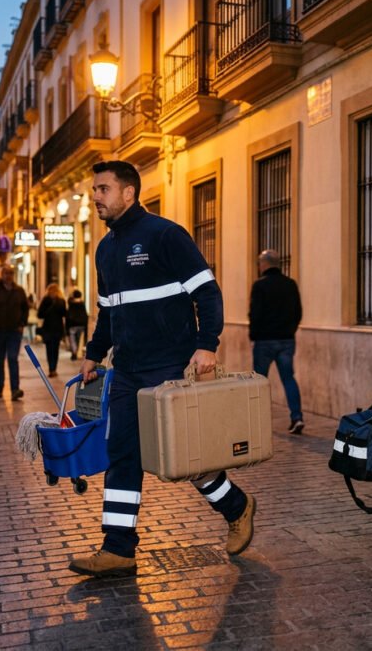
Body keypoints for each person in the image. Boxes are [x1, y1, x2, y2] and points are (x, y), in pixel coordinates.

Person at [70, 159, 257, 578]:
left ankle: (238, 507)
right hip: (128, 372)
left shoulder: (166, 235)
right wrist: (94, 354)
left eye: (103, 189)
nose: (95, 197)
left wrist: (206, 345)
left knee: (186, 458)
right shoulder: (105, 249)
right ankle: (118, 549)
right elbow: (107, 313)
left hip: (171, 367)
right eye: (94, 190)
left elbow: (207, 292)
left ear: (128, 193)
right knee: (122, 454)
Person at [249, 249, 304, 434]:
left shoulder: (259, 286)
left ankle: (258, 421)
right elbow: (298, 312)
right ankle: (297, 417)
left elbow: (255, 314)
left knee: (259, 382)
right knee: (288, 378)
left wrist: (253, 335)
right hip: (286, 340)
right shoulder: (290, 284)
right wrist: (290, 331)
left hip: (264, 341)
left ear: (263, 264)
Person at [0, 265, 28, 401]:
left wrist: (22, 324)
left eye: (11, 273)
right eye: (6, 273)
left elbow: (25, 309)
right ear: (1, 275)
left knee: (13, 359)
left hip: (15, 331)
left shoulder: (19, 291)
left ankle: (15, 389)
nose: (9, 275)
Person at [38, 283, 67, 377]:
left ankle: (51, 369)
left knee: (49, 349)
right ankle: (53, 368)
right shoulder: (61, 301)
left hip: (48, 328)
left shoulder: (46, 300)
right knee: (55, 349)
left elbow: (40, 314)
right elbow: (64, 314)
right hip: (57, 328)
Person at [67, 289, 89, 360]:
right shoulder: (82, 303)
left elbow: (68, 314)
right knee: (78, 338)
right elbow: (85, 314)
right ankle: (75, 350)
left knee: (72, 338)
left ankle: (74, 351)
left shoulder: (71, 303)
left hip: (72, 324)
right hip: (81, 324)